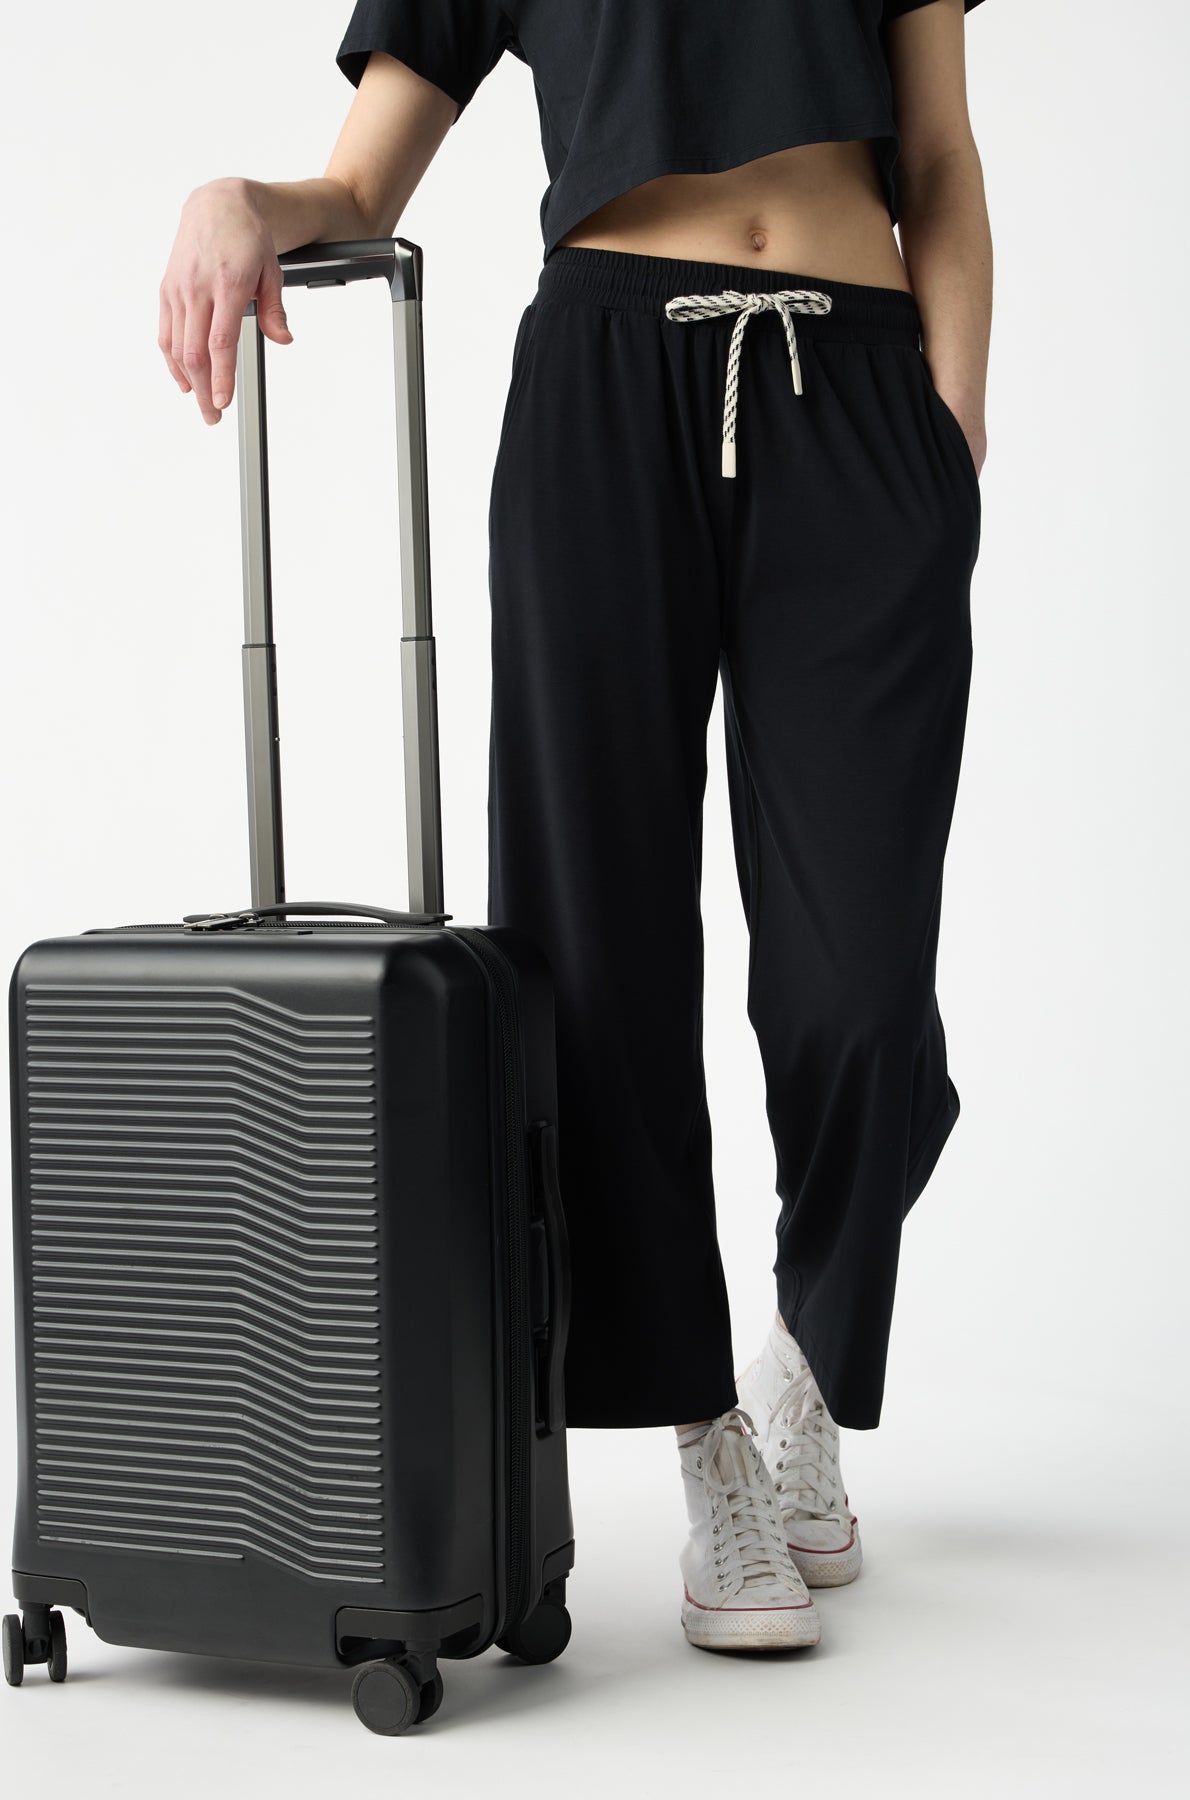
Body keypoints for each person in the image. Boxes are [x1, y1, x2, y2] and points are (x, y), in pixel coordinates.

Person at [157, 0, 991, 1654]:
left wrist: (947, 445)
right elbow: (362, 184)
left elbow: (945, 162)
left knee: (861, 983)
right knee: (589, 936)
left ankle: (812, 1361)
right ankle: (705, 1435)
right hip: (603, 386)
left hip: (855, 388)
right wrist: (240, 198)